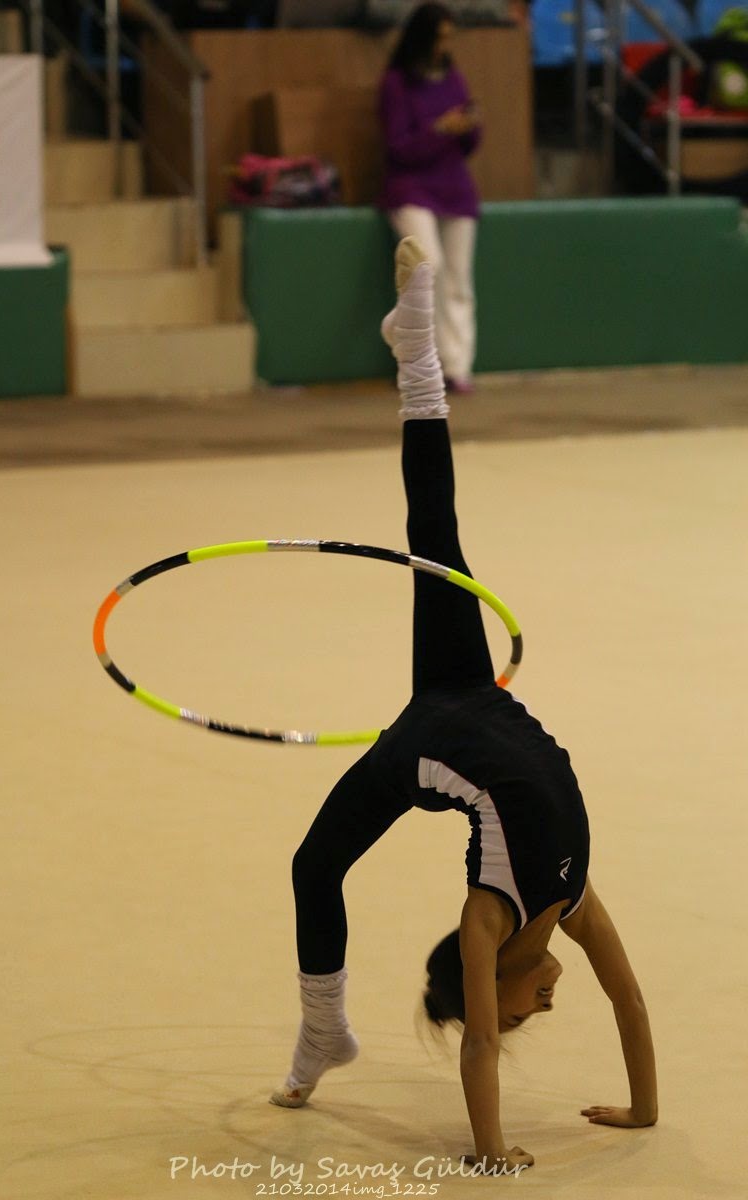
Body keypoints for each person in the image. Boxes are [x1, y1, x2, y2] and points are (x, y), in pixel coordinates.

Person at [270, 237, 659, 1171]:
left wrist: (489, 1153)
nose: (537, 1011)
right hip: (467, 694)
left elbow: (479, 1044)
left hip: (427, 746)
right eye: (528, 1017)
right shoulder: (572, 900)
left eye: (522, 1010)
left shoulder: (490, 918)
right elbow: (630, 998)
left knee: (314, 865)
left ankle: (321, 1028)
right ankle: (418, 351)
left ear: (489, 981)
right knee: (435, 532)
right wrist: (645, 1112)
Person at [378, 3, 482, 394]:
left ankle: (457, 367)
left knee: (458, 279)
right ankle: (420, 363)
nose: (444, 46)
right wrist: (439, 129)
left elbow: (469, 145)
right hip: (411, 188)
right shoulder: (395, 84)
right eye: (439, 38)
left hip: (455, 188)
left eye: (449, 38)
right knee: (426, 266)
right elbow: (399, 149)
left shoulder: (454, 78)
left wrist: (468, 125)